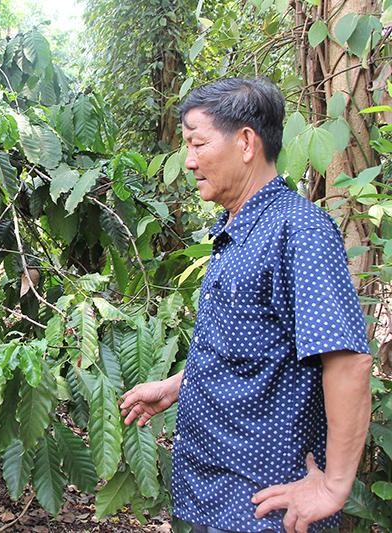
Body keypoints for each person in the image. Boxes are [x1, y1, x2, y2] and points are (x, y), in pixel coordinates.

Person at [119, 78, 371, 533]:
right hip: (214, 491)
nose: (190, 161)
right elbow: (250, 346)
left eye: (197, 143)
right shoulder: (235, 230)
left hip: (263, 508)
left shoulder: (299, 231)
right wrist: (179, 385)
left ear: (246, 142)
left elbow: (347, 360)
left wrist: (334, 486)